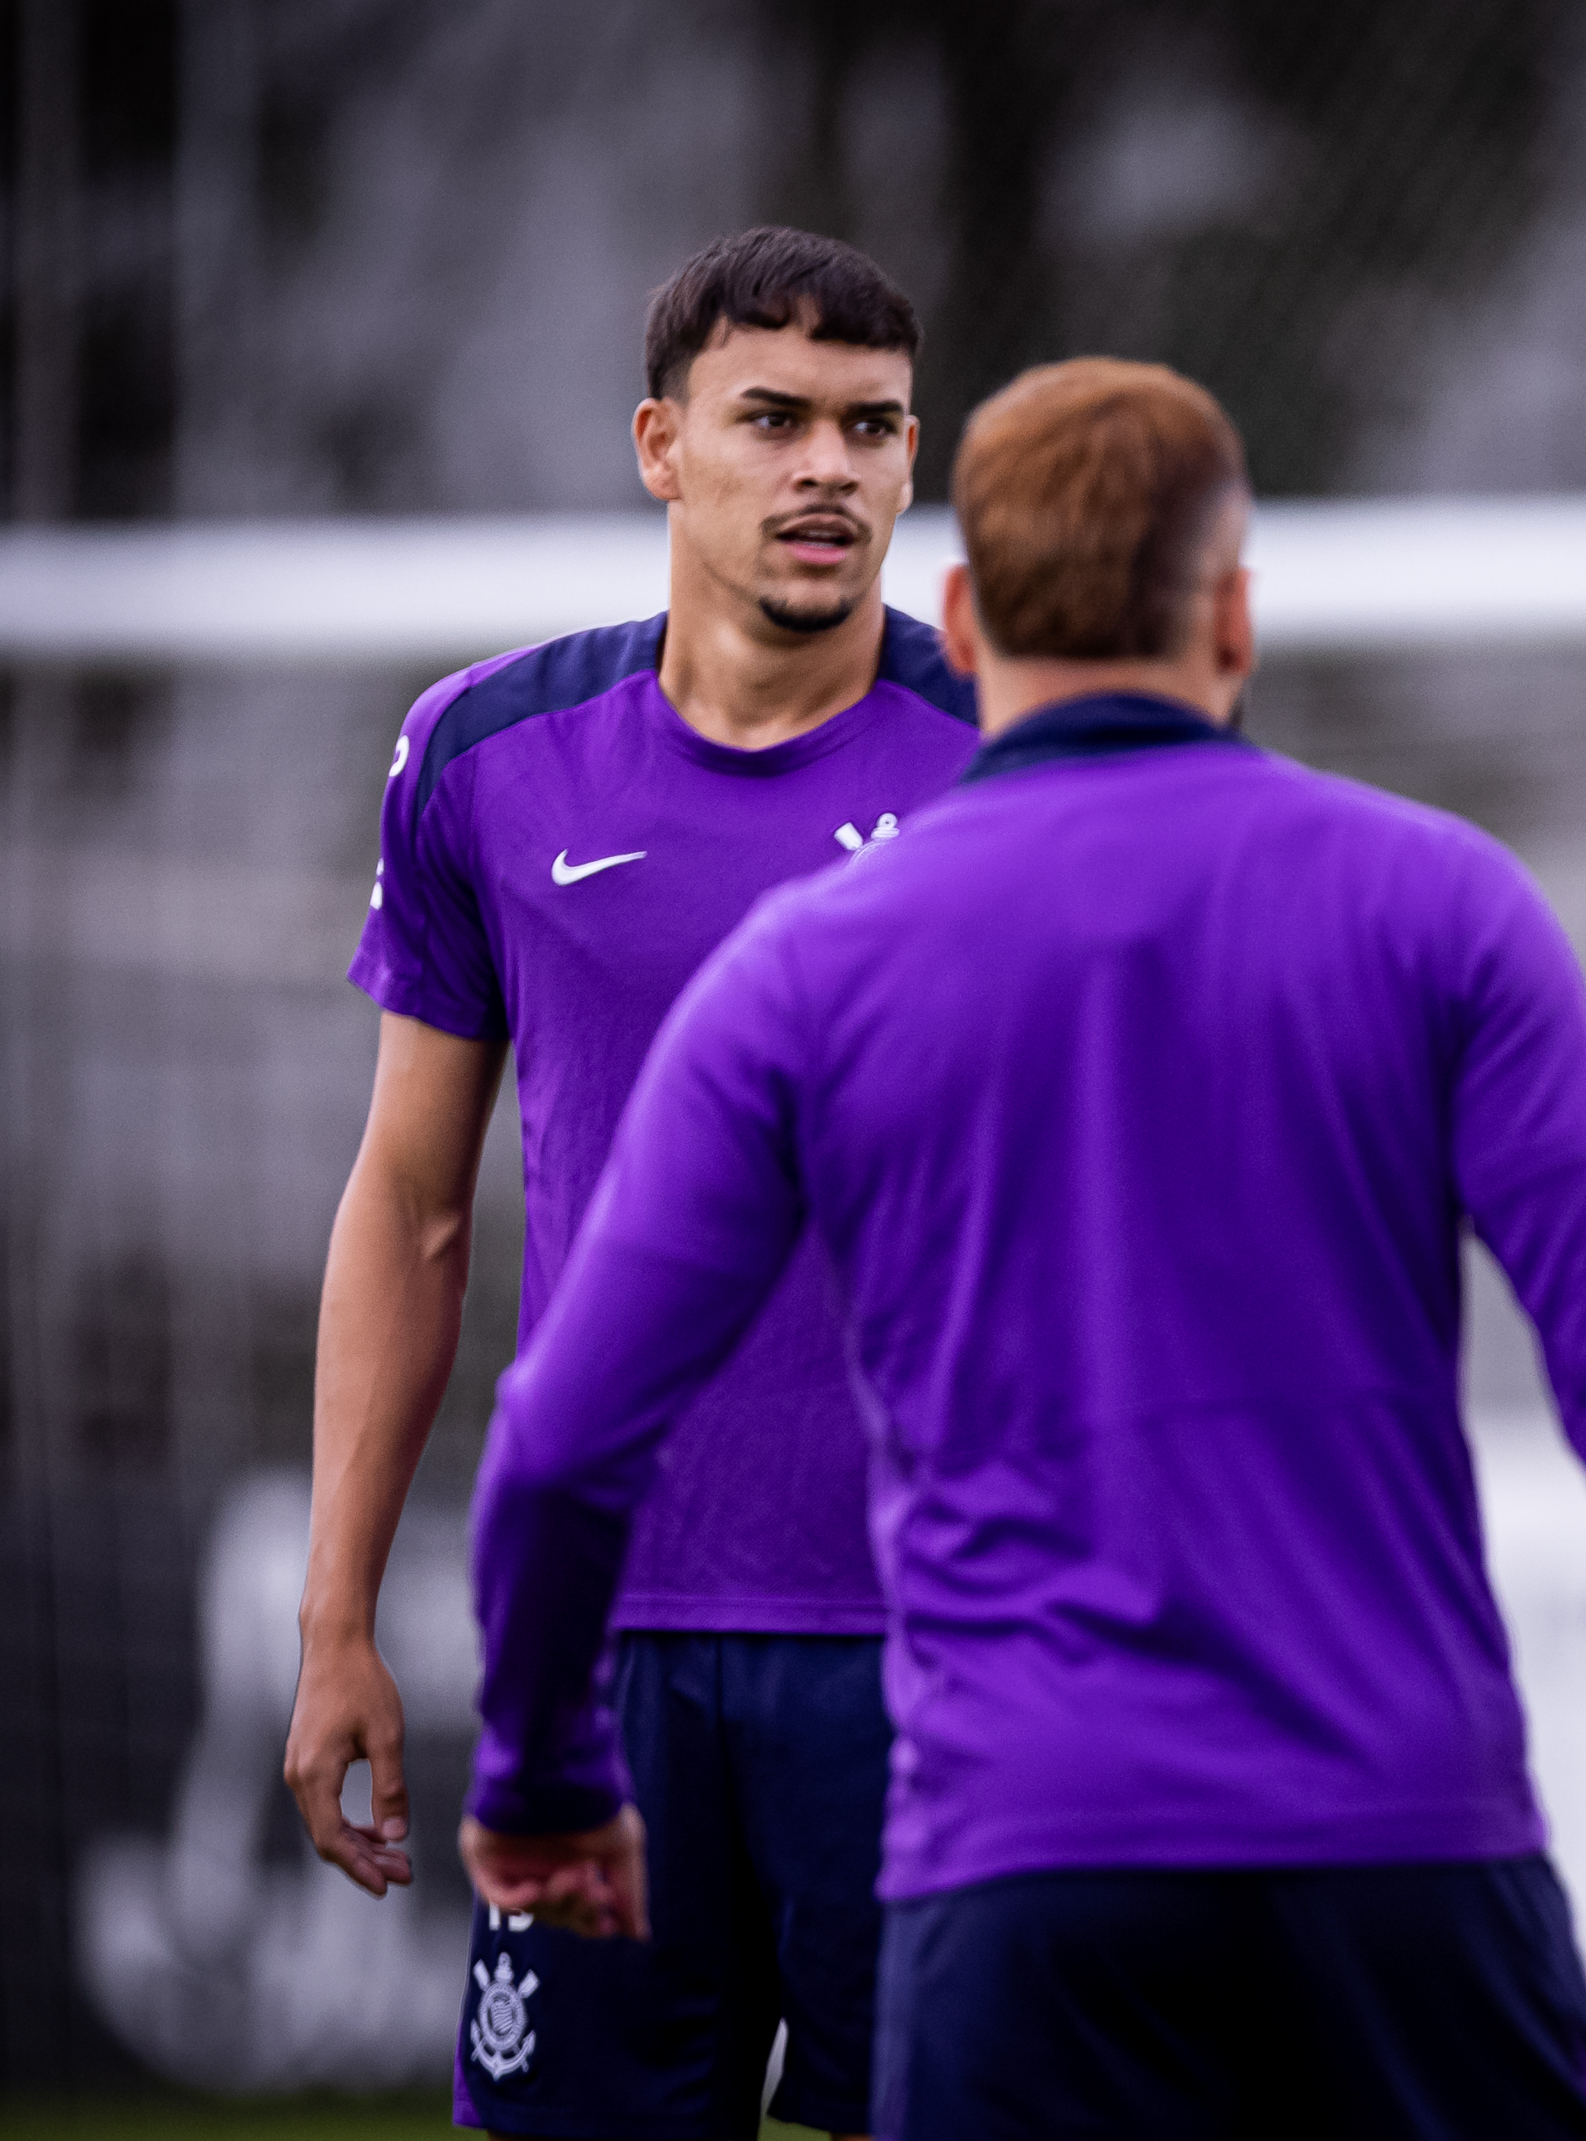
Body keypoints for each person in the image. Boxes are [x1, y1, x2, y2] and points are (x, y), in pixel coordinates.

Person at [451, 357, 1586, 2139]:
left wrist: (541, 1768)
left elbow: (562, 1440)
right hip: (1402, 1850)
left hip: (1021, 1869)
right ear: (1235, 617)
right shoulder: (1443, 907)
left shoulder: (806, 972)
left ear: (967, 625)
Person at [286, 227, 978, 2140]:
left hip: (947, 1652)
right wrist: (335, 1616)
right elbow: (412, 1206)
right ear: (664, 446)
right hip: (597, 1656)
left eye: (872, 427)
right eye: (775, 419)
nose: (828, 467)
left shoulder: (1023, 760)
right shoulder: (488, 758)